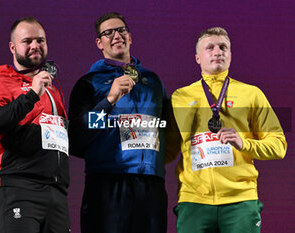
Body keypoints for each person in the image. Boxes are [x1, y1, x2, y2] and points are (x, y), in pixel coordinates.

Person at [167, 27, 287, 233]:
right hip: (194, 200)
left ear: (230, 55)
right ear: (197, 57)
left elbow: (279, 146)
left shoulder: (251, 94)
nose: (217, 52)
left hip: (240, 201)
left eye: (223, 47)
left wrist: (243, 143)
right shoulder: (180, 97)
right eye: (210, 47)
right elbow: (166, 151)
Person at [69, 12, 169, 233]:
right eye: (108, 33)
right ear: (99, 42)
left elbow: (167, 130)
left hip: (151, 185)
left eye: (121, 30)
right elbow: (78, 137)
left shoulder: (152, 81)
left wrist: (157, 163)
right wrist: (109, 100)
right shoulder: (88, 83)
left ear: (130, 37)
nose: (116, 36)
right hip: (107, 184)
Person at [0, 17, 70, 233]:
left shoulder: (54, 90)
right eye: (27, 41)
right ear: (12, 47)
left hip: (56, 191)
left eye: (40, 40)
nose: (35, 46)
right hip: (16, 186)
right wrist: (31, 95)